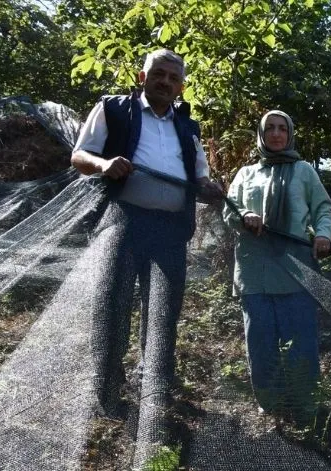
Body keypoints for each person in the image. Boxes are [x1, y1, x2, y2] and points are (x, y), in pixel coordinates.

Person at [71, 49, 223, 455]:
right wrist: (104, 165)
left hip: (172, 230)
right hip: (123, 220)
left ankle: (154, 385)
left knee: (163, 311)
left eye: (174, 78)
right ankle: (108, 390)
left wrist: (210, 190)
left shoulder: (188, 126)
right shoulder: (114, 109)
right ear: (143, 76)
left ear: (182, 86)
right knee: (113, 303)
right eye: (159, 74)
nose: (166, 82)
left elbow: (201, 178)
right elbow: (79, 155)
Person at [223, 110, 331, 421]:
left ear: (289, 133)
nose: (275, 134)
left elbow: (323, 209)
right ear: (260, 134)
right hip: (253, 270)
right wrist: (244, 215)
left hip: (296, 269)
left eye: (281, 128)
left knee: (301, 340)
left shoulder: (303, 171)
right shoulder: (246, 174)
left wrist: (324, 234)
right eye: (269, 128)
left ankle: (305, 404)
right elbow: (228, 209)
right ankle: (270, 403)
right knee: (260, 341)